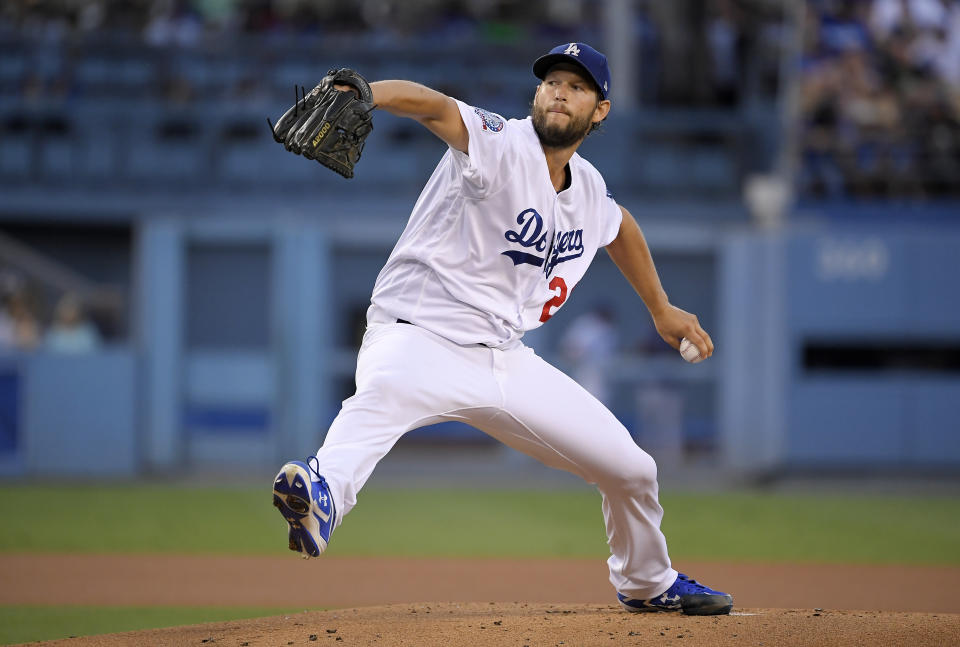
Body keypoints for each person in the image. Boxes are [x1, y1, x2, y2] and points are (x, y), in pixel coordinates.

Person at [272, 42, 732, 616]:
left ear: (601, 111)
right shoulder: (500, 142)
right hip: (418, 335)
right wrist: (368, 92)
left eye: (578, 85)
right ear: (536, 94)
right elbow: (436, 108)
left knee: (633, 469)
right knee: (381, 397)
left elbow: (619, 228)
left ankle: (647, 581)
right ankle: (322, 494)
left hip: (505, 359)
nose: (559, 91)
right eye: (551, 82)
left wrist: (661, 308)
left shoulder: (586, 188)